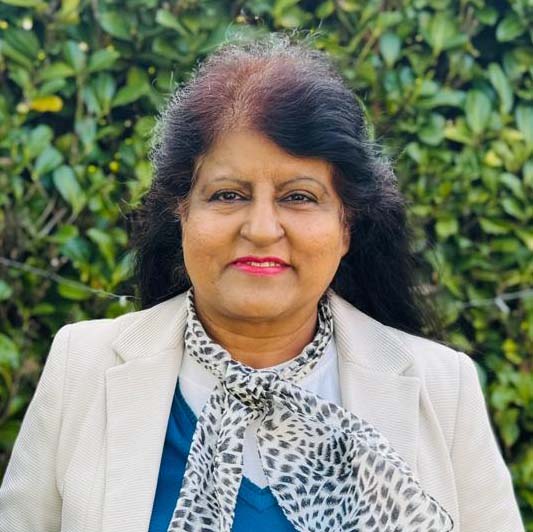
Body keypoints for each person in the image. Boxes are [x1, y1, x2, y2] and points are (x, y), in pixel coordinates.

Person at [0, 34, 524, 532]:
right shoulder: (82, 367)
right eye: (228, 195)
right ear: (182, 212)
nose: (262, 229)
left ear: (346, 226)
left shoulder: (442, 387)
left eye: (299, 197)